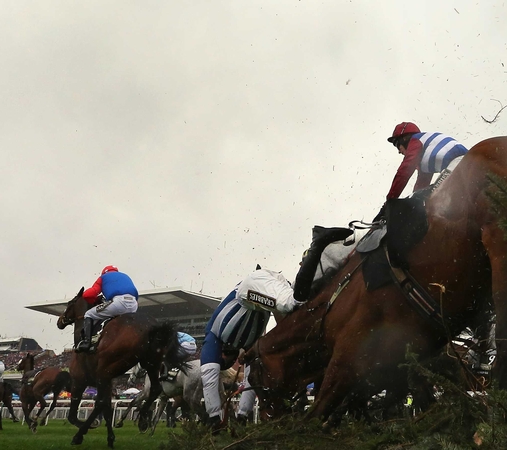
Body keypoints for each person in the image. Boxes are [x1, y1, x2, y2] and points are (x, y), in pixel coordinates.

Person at [200, 225, 352, 430]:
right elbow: (252, 381)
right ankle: (340, 260)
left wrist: (214, 418)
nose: (232, 360)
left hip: (250, 288)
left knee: (294, 303)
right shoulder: (249, 343)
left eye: (227, 361)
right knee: (302, 312)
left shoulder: (213, 336)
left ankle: (318, 242)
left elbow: (209, 379)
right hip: (272, 287)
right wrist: (243, 414)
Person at [385, 122, 469, 200]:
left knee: (438, 200)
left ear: (404, 138)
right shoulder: (425, 158)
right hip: (467, 161)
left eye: (397, 145)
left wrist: (390, 199)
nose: (399, 151)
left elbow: (404, 171)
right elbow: (419, 190)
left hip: (458, 163)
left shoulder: (415, 141)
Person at [75, 265, 139, 353]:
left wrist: (92, 300)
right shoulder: (125, 276)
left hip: (118, 302)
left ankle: (87, 343)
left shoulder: (103, 278)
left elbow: (88, 295)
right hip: (134, 304)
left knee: (89, 314)